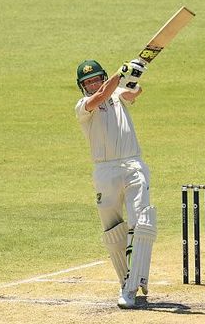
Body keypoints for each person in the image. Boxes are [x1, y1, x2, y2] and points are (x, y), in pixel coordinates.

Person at [74, 59, 157, 309]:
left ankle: (133, 285)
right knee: (113, 232)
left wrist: (132, 79)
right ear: (82, 86)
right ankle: (125, 281)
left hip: (133, 165)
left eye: (96, 79)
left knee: (140, 222)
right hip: (104, 171)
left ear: (102, 77)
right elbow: (99, 98)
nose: (92, 84)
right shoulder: (82, 106)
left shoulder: (118, 91)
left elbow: (133, 94)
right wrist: (120, 75)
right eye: (87, 82)